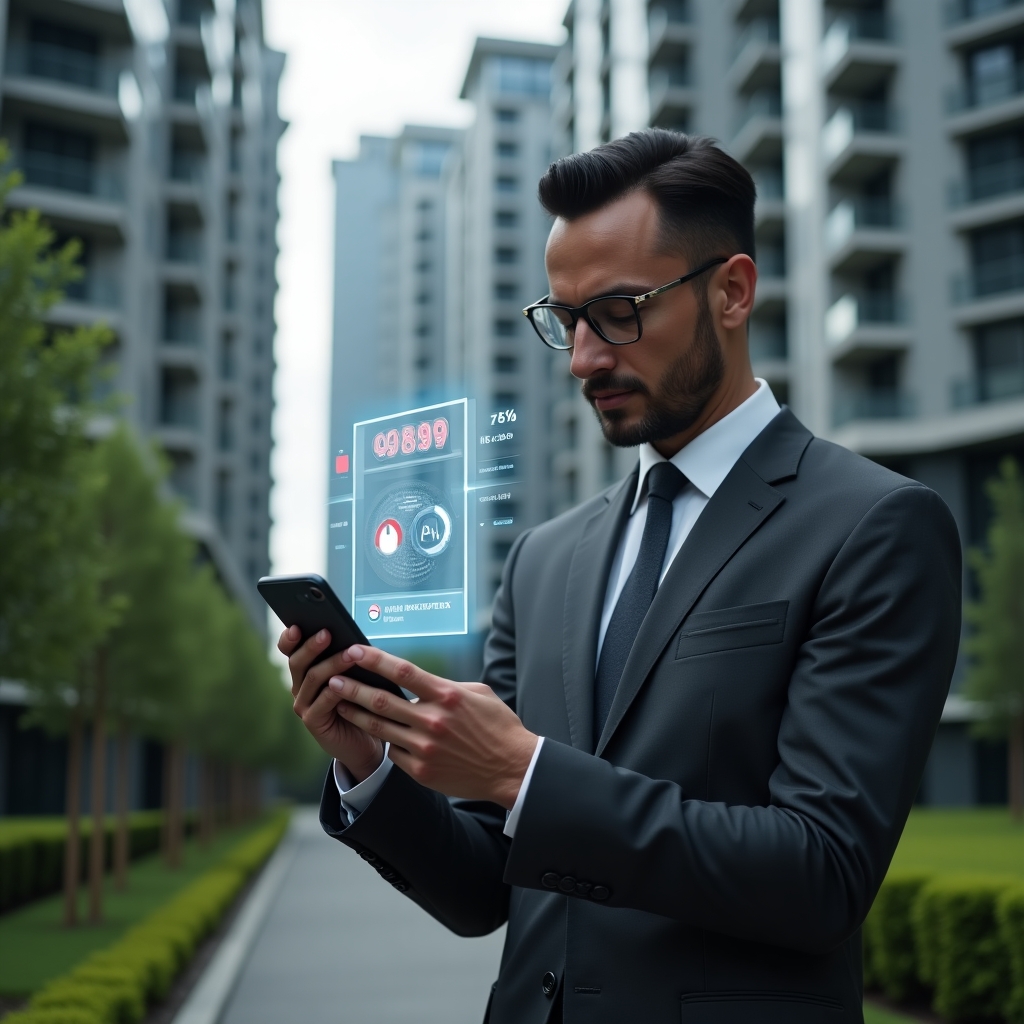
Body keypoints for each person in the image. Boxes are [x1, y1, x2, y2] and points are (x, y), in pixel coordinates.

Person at [282, 130, 962, 1024]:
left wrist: (527, 774)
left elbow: (822, 871)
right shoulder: (544, 559)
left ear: (732, 290)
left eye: (619, 311)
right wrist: (370, 764)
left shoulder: (875, 526)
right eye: (565, 319)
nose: (583, 359)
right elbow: (486, 888)